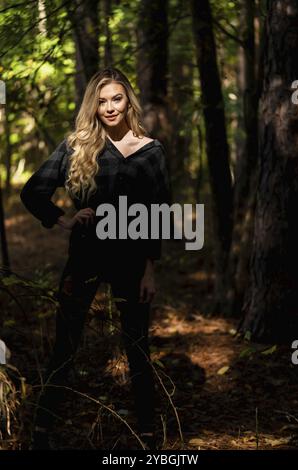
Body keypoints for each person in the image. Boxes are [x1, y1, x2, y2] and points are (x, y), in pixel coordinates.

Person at [20, 67, 170, 450]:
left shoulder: (151, 152)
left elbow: (159, 214)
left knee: (137, 348)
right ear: (93, 106)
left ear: (128, 101)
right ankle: (42, 429)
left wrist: (150, 271)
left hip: (132, 262)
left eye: (116, 98)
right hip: (84, 257)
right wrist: (65, 221)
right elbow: (34, 192)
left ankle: (148, 434)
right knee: (65, 345)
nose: (109, 107)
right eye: (101, 101)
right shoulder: (77, 145)